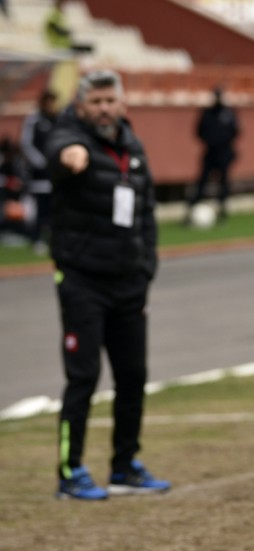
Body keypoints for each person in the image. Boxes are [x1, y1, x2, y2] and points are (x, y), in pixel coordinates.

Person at [47, 70, 170, 500]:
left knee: (133, 376)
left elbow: (146, 209)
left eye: (108, 100)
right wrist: (71, 155)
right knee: (84, 376)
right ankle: (71, 471)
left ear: (121, 104)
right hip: (83, 279)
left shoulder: (132, 145)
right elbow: (59, 148)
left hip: (129, 282)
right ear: (81, 106)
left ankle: (125, 466)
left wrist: (146, 265)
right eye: (94, 102)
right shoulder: (69, 136)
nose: (102, 109)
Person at [187, 86, 239, 223]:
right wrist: (211, 141)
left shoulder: (229, 113)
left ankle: (222, 210)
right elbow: (199, 131)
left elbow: (236, 131)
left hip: (224, 153)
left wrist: (223, 142)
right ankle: (191, 209)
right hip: (210, 152)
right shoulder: (207, 113)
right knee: (201, 182)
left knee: (223, 182)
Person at [20, 89, 60, 253]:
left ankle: (54, 239)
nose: (51, 105)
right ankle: (36, 239)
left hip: (56, 176)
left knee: (55, 210)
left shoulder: (59, 120)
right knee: (40, 210)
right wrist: (42, 163)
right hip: (39, 177)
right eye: (49, 101)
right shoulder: (34, 120)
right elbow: (26, 145)